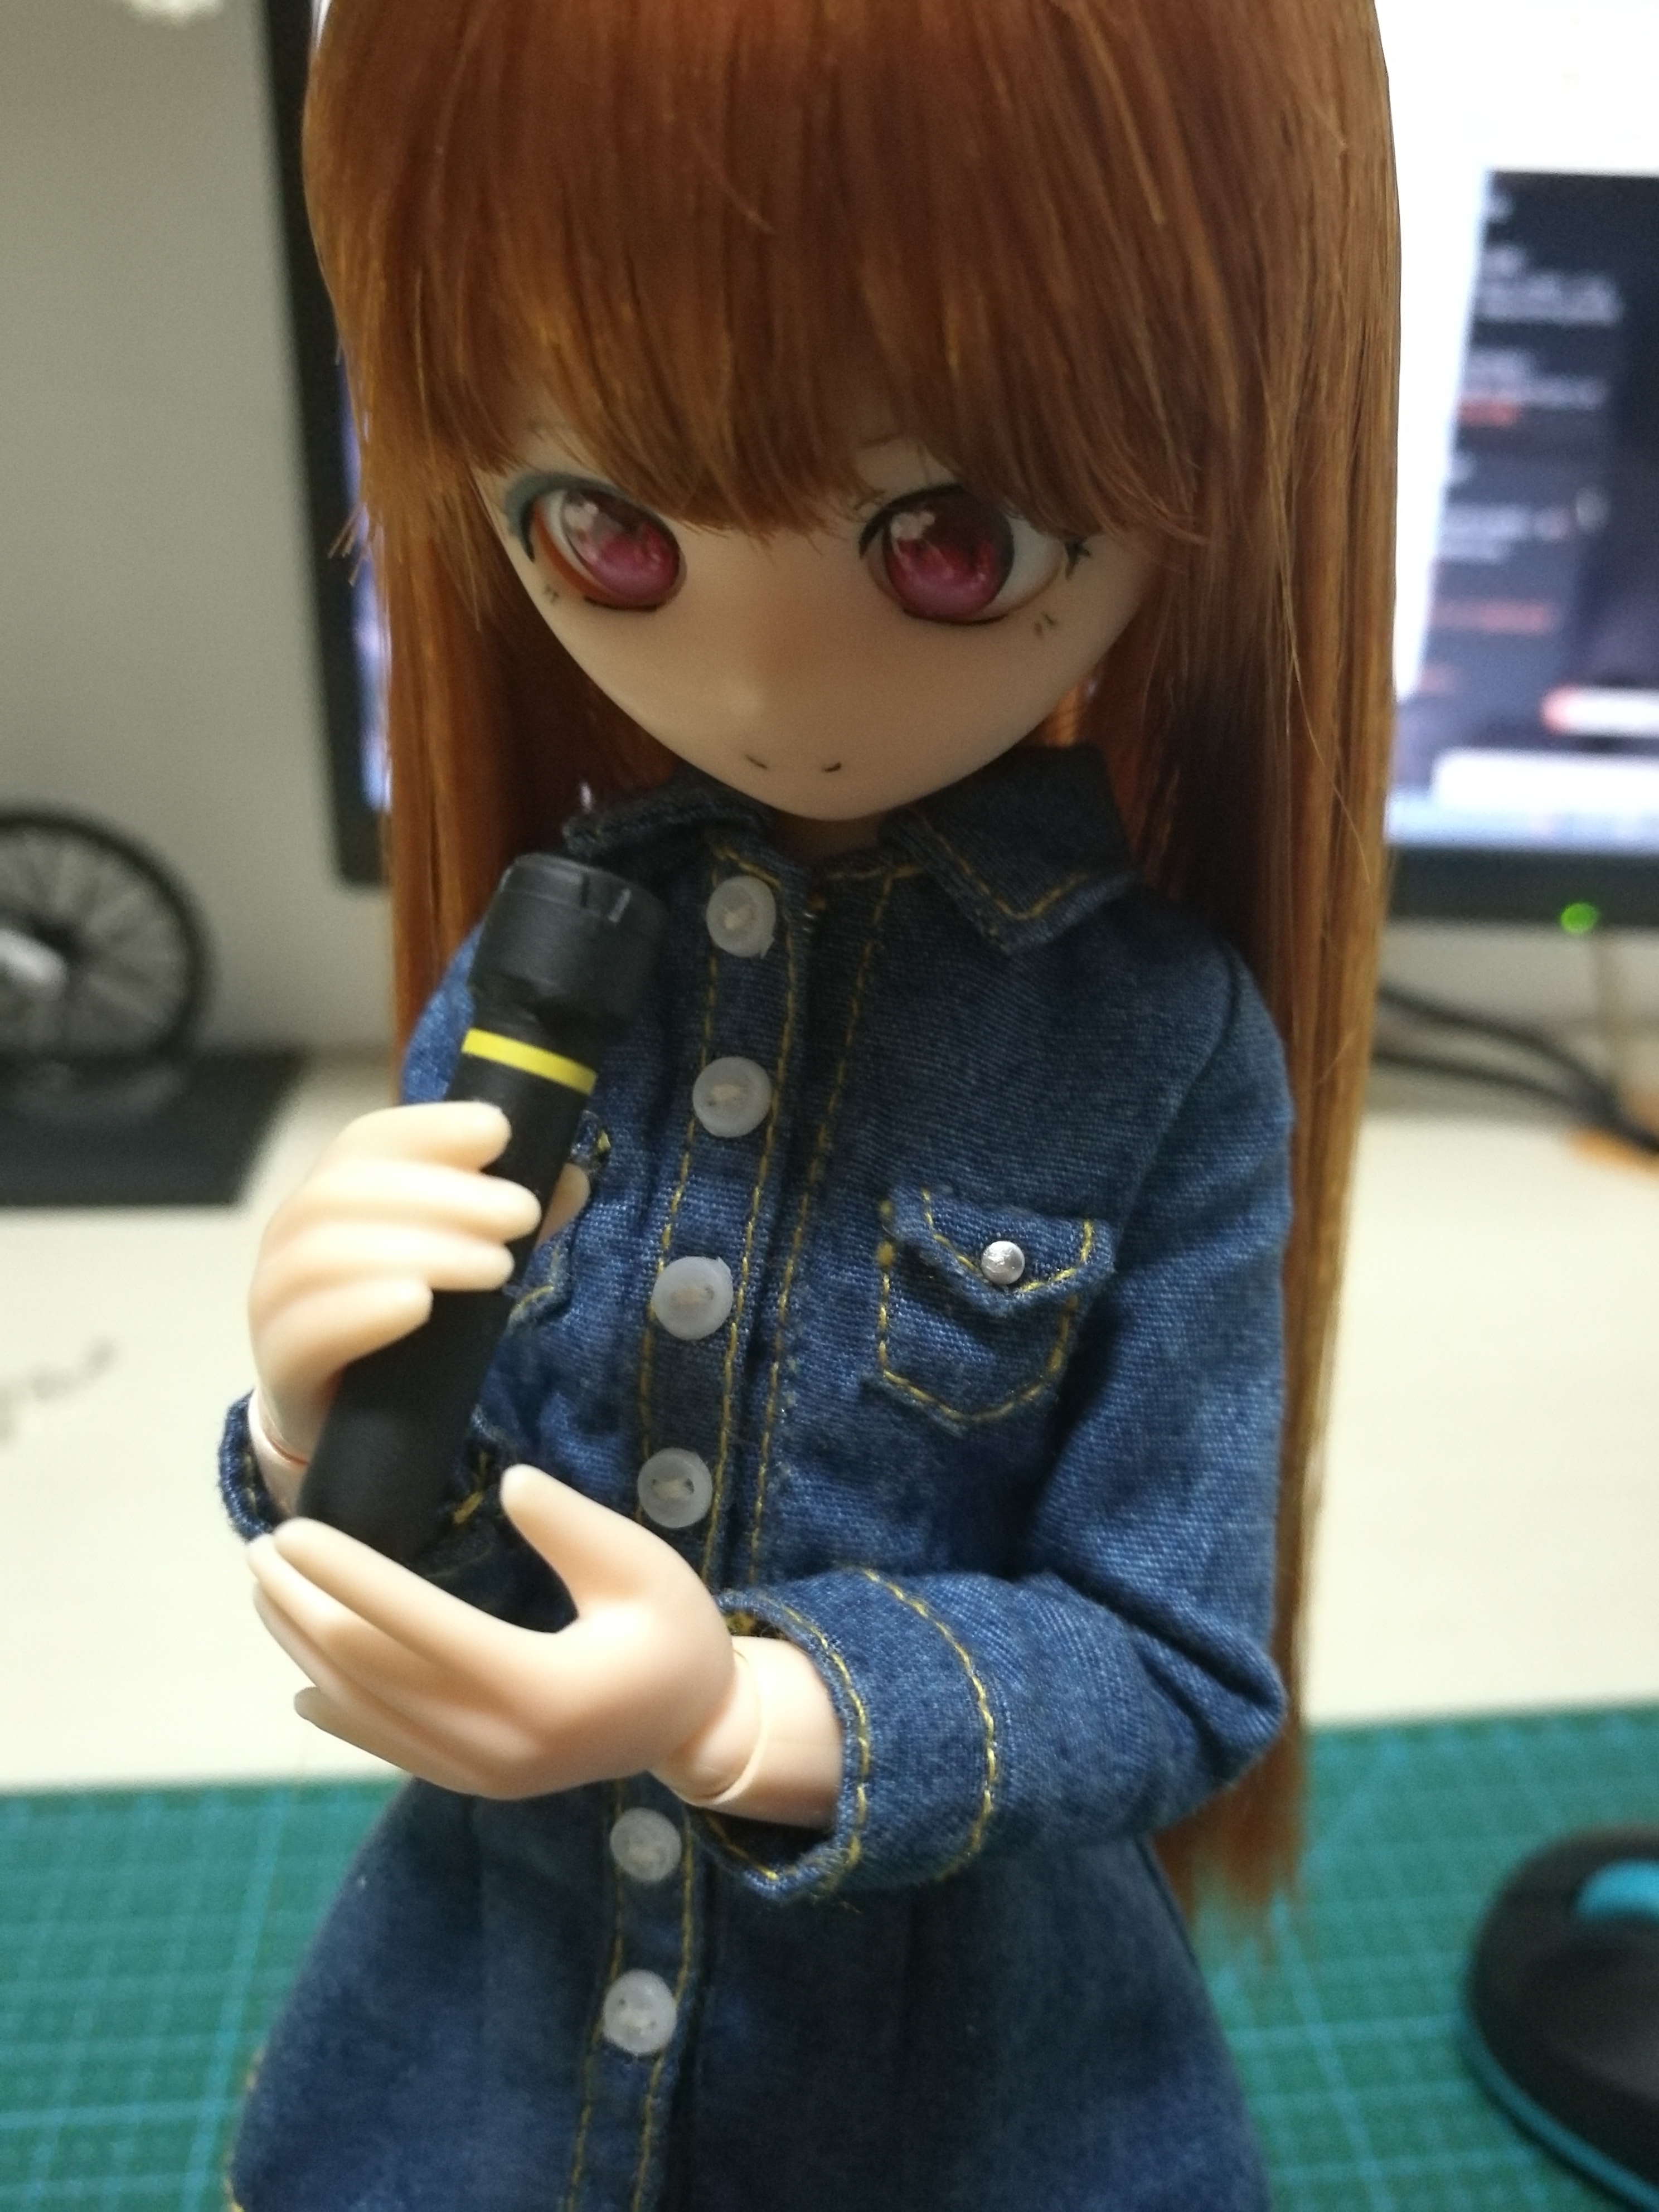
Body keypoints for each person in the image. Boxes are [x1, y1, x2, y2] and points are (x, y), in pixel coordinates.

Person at [219, 1, 1399, 2204]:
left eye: (948, 542)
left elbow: (1173, 1660)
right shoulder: (549, 963)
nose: (763, 681)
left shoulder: (1156, 1046)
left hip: (964, 2083)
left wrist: (742, 1710)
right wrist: (318, 1439)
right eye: (608, 527)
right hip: (488, 2044)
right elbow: (444, 1544)